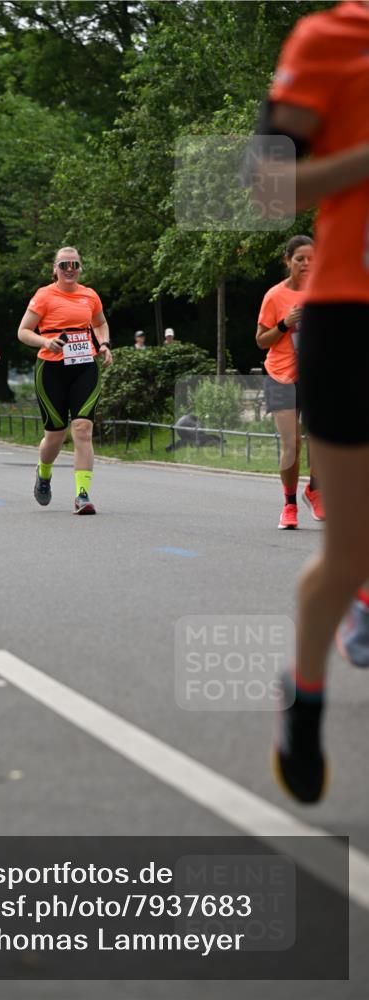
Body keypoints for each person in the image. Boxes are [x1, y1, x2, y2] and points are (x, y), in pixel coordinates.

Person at [252, 0, 369, 803]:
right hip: (350, 317)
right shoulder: (329, 39)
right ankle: (304, 694)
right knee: (348, 548)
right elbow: (268, 191)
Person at [17, 246, 112, 514]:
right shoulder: (44, 296)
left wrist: (104, 344)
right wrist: (45, 341)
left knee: (82, 428)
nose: (69, 269)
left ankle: (82, 495)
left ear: (80, 268)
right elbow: (23, 331)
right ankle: (44, 472)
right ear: (55, 269)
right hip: (51, 369)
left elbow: (100, 323)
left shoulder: (90, 295)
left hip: (85, 366)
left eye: (74, 265)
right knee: (55, 436)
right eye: (63, 265)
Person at [256, 235, 324, 529]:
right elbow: (261, 340)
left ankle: (315, 490)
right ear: (288, 261)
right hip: (281, 375)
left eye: (312, 259)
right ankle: (289, 504)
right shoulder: (275, 296)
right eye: (300, 259)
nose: (307, 264)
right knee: (291, 444)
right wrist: (285, 324)